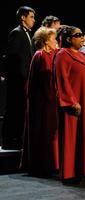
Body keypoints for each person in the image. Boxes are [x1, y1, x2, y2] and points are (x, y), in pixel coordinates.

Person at [54, 26, 85, 182]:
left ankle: (84, 169)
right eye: (78, 35)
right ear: (68, 39)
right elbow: (62, 80)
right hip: (75, 104)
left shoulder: (83, 56)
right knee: (72, 137)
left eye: (83, 34)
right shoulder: (63, 55)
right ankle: (70, 173)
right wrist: (71, 101)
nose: (82, 37)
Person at [22, 27, 58, 177]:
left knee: (50, 133)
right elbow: (42, 81)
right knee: (42, 131)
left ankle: (51, 164)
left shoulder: (52, 54)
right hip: (42, 102)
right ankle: (41, 165)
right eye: (53, 38)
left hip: (51, 100)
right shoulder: (40, 55)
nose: (55, 41)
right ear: (45, 41)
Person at [2, 6, 35, 150]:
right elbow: (14, 58)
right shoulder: (17, 33)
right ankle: (9, 140)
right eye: (31, 17)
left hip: (23, 80)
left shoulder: (26, 33)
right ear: (23, 17)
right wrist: (22, 79)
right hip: (17, 80)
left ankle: (16, 139)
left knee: (20, 110)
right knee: (14, 109)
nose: (34, 20)